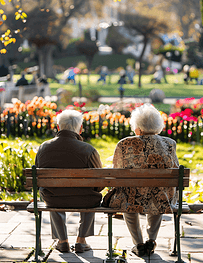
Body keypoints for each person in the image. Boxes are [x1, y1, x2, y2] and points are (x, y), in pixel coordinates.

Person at [106, 104, 179, 258]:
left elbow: (117, 173)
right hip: (161, 195)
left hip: (132, 196)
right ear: (158, 126)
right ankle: (151, 240)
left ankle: (138, 244)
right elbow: (175, 169)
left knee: (128, 197)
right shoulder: (170, 144)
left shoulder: (124, 144)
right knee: (159, 192)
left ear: (137, 127)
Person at [35, 110, 103, 254]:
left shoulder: (43, 148)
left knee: (50, 192)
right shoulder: (89, 150)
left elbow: (39, 181)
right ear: (81, 128)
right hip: (85, 200)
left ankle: (62, 241)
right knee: (92, 193)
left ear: (58, 128)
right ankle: (81, 240)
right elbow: (100, 182)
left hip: (54, 199)